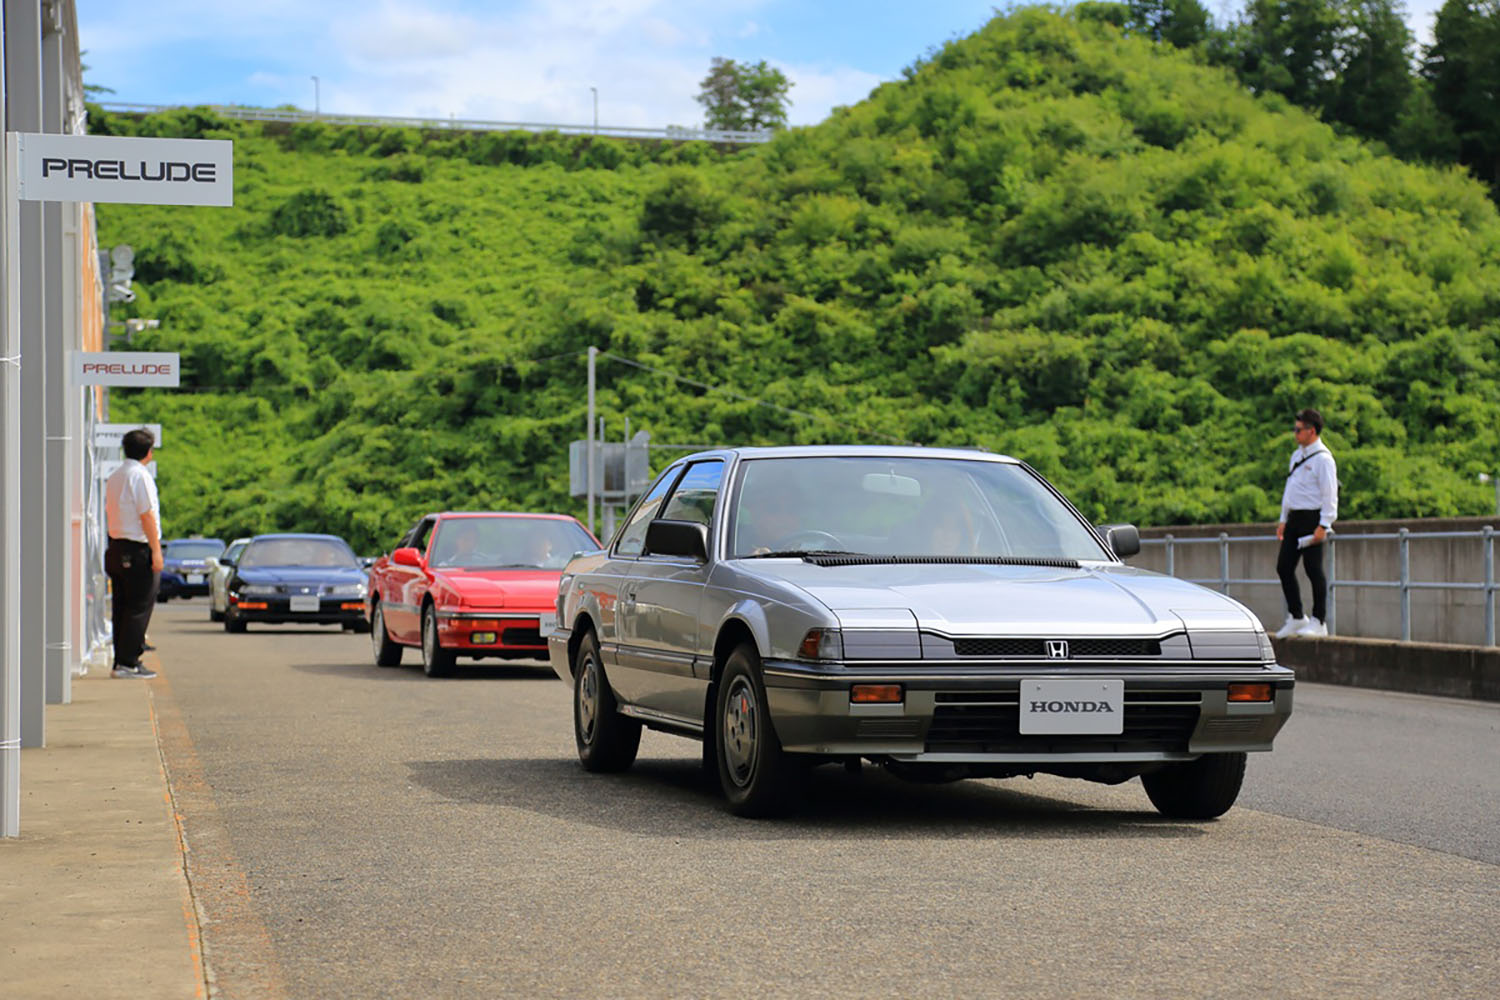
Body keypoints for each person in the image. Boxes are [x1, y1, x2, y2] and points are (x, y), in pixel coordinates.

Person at [1275, 408, 1339, 638]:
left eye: (1299, 430)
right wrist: (1284, 518)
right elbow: (1290, 489)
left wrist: (1324, 524)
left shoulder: (1323, 459)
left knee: (1313, 569)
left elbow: (1329, 494)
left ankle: (1319, 620)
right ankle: (1296, 616)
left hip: (1313, 518)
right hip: (1295, 518)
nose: (1295, 433)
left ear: (1311, 431)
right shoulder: (1297, 455)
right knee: (1284, 567)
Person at [104, 428, 161, 678]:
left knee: (121, 606)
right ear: (148, 452)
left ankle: (121, 661)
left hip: (116, 546)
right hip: (137, 548)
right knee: (139, 606)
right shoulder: (140, 476)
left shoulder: (115, 475)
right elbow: (146, 514)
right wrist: (156, 551)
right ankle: (129, 662)